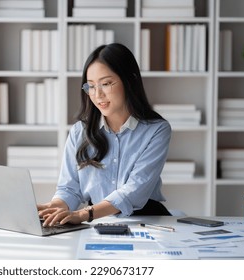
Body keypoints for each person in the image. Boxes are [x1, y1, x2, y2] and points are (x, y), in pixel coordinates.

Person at [38, 43, 172, 227]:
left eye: (106, 84)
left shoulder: (157, 130)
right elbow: (69, 188)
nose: (97, 94)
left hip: (146, 220)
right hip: (98, 221)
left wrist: (85, 214)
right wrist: (55, 206)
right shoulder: (79, 131)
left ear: (129, 80)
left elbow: (135, 190)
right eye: (91, 86)